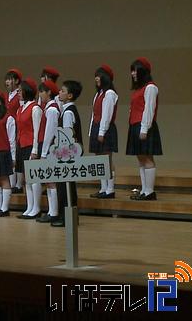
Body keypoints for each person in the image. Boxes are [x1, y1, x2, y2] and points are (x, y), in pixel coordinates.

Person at [126, 57, 161, 201]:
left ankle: (150, 191)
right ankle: (145, 190)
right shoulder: (139, 89)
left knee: (147, 158)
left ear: (142, 71)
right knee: (141, 158)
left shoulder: (150, 87)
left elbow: (149, 109)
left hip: (144, 125)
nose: (133, 74)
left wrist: (144, 128)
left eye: (135, 71)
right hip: (136, 125)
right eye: (132, 71)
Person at [52, 80, 84, 227]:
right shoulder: (67, 109)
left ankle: (66, 218)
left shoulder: (68, 112)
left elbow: (67, 135)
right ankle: (67, 217)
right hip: (68, 156)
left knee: (65, 188)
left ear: (70, 95)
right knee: (67, 187)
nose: (59, 92)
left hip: (67, 157)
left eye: (63, 91)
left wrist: (62, 155)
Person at [89, 64, 119, 199]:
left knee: (107, 158)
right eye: (95, 75)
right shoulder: (98, 94)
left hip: (105, 129)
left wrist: (102, 132)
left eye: (99, 75)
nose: (96, 78)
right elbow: (93, 114)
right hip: (96, 127)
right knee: (99, 159)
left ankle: (110, 189)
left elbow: (107, 115)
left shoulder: (110, 94)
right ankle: (103, 188)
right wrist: (92, 132)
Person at [15, 78, 43, 220]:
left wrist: (35, 149)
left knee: (34, 178)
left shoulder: (35, 108)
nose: (18, 93)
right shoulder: (20, 108)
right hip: (22, 145)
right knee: (27, 179)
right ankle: (29, 206)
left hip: (31, 146)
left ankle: (36, 208)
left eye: (20, 90)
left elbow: (37, 131)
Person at [35, 81, 60, 223]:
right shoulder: (48, 108)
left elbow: (50, 133)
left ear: (49, 92)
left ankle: (54, 212)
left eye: (42, 92)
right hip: (47, 148)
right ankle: (51, 211)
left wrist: (44, 153)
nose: (40, 95)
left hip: (49, 149)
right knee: (48, 181)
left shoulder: (51, 110)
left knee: (51, 182)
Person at [4, 68, 23, 194]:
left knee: (16, 153)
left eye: (10, 79)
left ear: (16, 81)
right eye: (6, 79)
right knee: (9, 153)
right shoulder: (6, 96)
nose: (7, 82)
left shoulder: (19, 95)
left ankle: (18, 183)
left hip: (17, 127)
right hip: (6, 127)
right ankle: (11, 182)